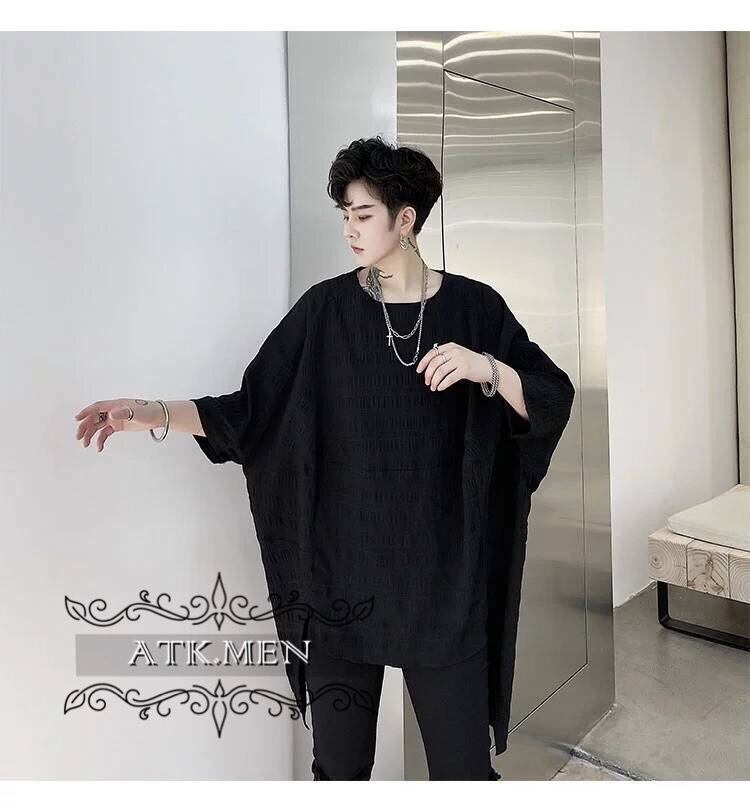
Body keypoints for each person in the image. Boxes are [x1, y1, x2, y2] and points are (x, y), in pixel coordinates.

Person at [74, 135, 574, 780]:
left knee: (463, 774)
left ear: (406, 219)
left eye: (363, 214)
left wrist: (488, 368)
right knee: (337, 773)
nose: (349, 229)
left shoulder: (476, 308)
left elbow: (550, 396)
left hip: (445, 584)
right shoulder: (325, 310)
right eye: (344, 214)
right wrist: (152, 413)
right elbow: (254, 412)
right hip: (342, 581)